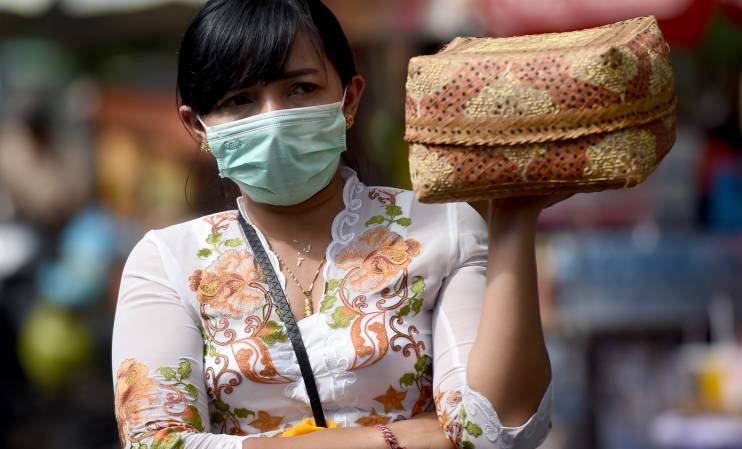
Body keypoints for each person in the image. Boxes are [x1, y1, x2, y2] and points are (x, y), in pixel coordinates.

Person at [111, 1, 560, 448]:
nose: (273, 118)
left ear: (350, 97)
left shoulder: (442, 227)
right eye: (240, 100)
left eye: (300, 89)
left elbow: (492, 431)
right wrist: (393, 438)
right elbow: (154, 443)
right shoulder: (167, 263)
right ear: (198, 127)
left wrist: (515, 222)